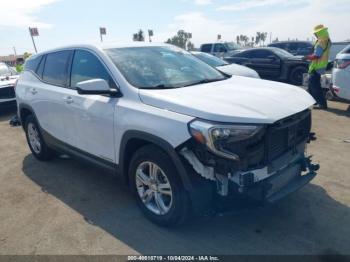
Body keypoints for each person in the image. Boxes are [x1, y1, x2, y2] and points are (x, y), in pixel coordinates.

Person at [303, 24, 331, 109]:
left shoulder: (320, 42)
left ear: (320, 33)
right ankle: (315, 102)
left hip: (316, 67)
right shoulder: (327, 41)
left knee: (315, 87)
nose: (315, 35)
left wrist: (306, 57)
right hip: (320, 66)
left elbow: (317, 55)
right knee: (312, 86)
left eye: (316, 33)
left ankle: (322, 104)